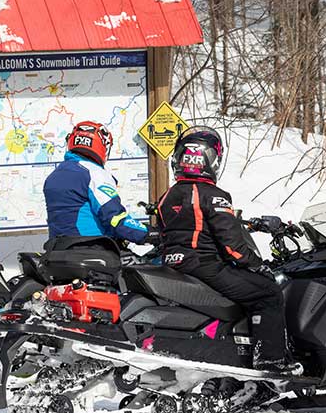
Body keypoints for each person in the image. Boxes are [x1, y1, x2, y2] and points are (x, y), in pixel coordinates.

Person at [155, 126, 301, 374]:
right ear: (211, 160)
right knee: (267, 293)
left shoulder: (168, 195)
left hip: (174, 262)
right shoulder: (214, 196)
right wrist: (258, 265)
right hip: (204, 264)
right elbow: (233, 246)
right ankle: (271, 360)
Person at [43, 121, 148, 244]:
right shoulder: (94, 173)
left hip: (57, 250)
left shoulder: (54, 175)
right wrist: (147, 232)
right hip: (90, 249)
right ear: (103, 145)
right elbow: (115, 218)